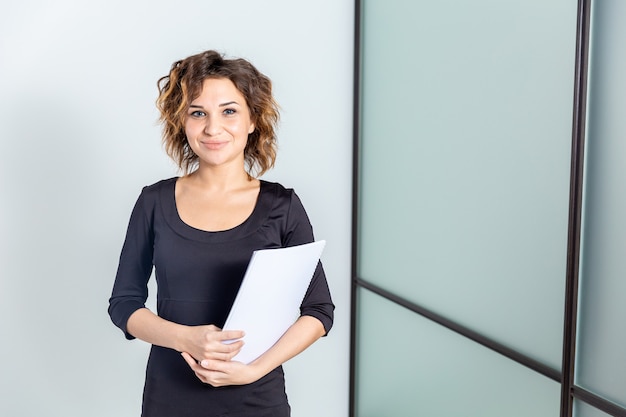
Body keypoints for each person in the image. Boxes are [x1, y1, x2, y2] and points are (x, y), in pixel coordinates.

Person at [108, 50, 334, 417]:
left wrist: (252, 371)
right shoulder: (155, 201)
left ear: (251, 121)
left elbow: (319, 311)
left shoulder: (283, 206)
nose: (213, 128)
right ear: (182, 122)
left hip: (257, 401)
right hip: (170, 401)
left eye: (229, 111)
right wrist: (187, 338)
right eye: (198, 113)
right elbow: (123, 304)